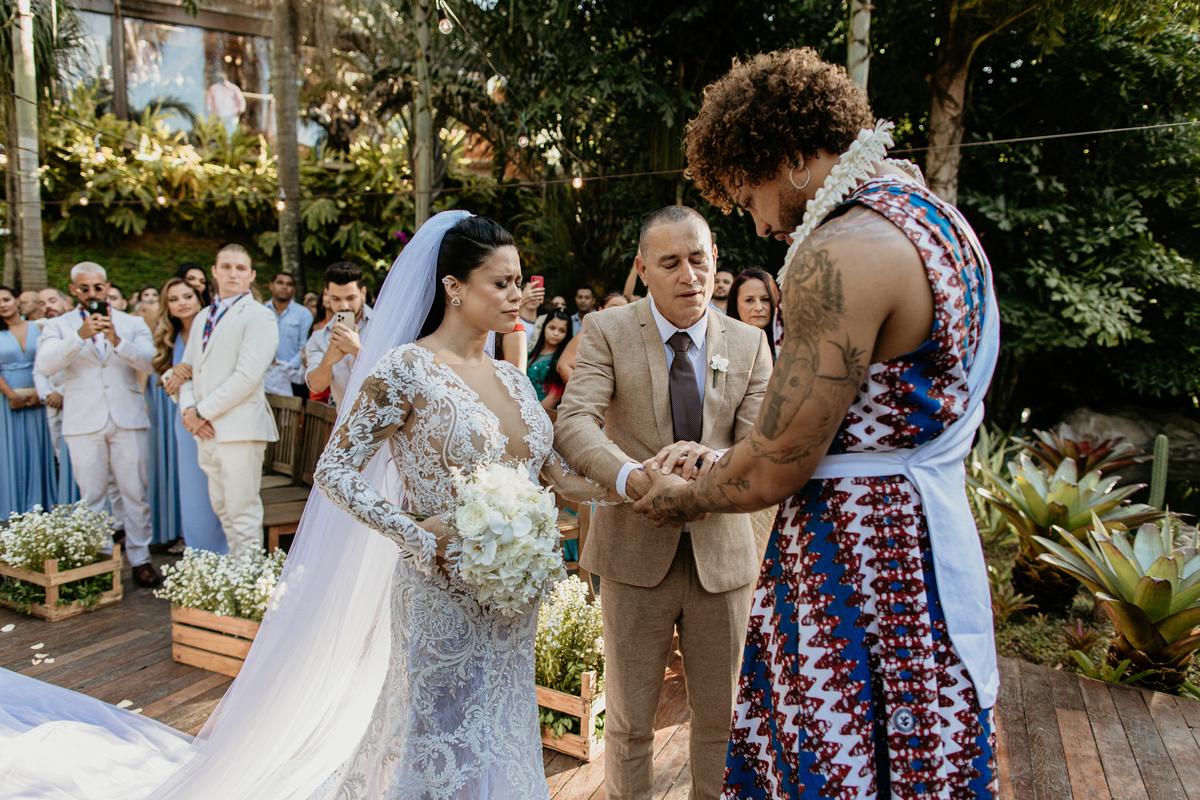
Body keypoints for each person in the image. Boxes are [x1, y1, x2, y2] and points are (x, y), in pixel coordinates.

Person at [0, 210, 625, 799]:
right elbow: (337, 471)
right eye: (503, 281)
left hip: (511, 592)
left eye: (520, 281)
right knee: (438, 730)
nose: (518, 295)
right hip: (439, 589)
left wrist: (629, 483)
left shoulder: (515, 378)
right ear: (454, 287)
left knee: (504, 721)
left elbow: (553, 474)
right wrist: (414, 532)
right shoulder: (407, 368)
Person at [635, 48, 1001, 799]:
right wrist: (721, 458)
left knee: (839, 762)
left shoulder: (841, 251)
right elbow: (859, 425)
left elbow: (777, 465)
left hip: (862, 564)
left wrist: (686, 496)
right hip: (925, 534)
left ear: (792, 160)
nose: (757, 221)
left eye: (744, 191)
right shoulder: (935, 219)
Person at [554, 205, 773, 800]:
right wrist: (634, 479)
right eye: (671, 263)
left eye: (699, 260)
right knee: (627, 724)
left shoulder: (751, 344)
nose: (689, 277)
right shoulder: (607, 331)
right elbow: (574, 423)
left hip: (721, 555)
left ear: (716, 261)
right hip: (632, 550)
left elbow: (761, 444)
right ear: (642, 268)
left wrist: (706, 472)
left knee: (722, 723)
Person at [34, 263, 161, 588]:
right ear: (74, 290)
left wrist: (116, 340)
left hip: (127, 416)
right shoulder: (58, 325)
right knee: (92, 494)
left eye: (98, 288)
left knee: (135, 492)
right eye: (85, 289)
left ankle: (141, 558)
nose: (93, 294)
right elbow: (46, 365)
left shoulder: (131, 323)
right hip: (83, 420)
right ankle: (101, 561)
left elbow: (151, 362)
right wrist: (79, 337)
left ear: (107, 287)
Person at [178, 244, 279, 560]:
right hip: (205, 430)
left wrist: (201, 411)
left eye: (239, 268)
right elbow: (187, 370)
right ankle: (235, 578)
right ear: (215, 271)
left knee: (242, 511)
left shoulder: (260, 316)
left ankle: (249, 586)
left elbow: (247, 377)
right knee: (222, 508)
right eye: (226, 267)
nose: (232, 273)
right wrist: (187, 410)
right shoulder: (203, 317)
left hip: (240, 429)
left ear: (250, 275)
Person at [154, 277, 227, 554]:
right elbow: (165, 376)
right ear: (167, 307)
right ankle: (199, 551)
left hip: (213, 414)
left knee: (217, 486)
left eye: (187, 297)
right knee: (193, 489)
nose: (181, 303)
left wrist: (188, 371)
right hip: (184, 419)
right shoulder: (169, 337)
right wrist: (173, 374)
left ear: (199, 299)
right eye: (173, 299)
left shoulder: (213, 329)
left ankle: (224, 552)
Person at [0, 286, 57, 517]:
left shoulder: (40, 327)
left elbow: (49, 362)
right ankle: (13, 506)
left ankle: (43, 504)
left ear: (17, 301)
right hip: (6, 399)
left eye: (6, 299)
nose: (2, 304)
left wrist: (41, 393)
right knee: (10, 451)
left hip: (39, 399)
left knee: (40, 447)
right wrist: (11, 395)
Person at [305, 262, 372, 407]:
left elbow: (400, 376)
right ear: (327, 296)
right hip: (345, 424)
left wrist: (357, 350)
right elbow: (317, 386)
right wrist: (328, 360)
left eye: (350, 298)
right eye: (336, 299)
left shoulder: (384, 325)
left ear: (363, 293)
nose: (344, 306)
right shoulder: (318, 338)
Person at [554, 290, 627, 386]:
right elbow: (562, 366)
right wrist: (584, 392)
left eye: (624, 309)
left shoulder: (627, 337)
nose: (618, 313)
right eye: (613, 307)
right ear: (600, 309)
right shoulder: (589, 332)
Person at [263, 272, 314, 397]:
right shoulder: (261, 311)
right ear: (271, 286)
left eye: (289, 284)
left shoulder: (303, 314)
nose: (284, 287)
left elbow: (304, 345)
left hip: (293, 376)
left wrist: (286, 368)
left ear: (294, 289)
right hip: (264, 375)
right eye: (280, 283)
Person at [725, 268, 781, 360]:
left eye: (765, 299)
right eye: (749, 300)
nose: (758, 308)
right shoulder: (722, 346)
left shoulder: (787, 344)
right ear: (735, 304)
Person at [526, 309, 572, 412]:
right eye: (552, 328)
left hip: (544, 414)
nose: (556, 333)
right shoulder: (530, 355)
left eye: (562, 330)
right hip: (523, 409)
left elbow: (554, 397)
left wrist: (534, 415)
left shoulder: (562, 361)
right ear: (544, 327)